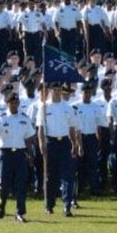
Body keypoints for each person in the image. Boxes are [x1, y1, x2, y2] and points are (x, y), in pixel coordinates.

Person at [0, 93, 36, 221]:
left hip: (20, 154)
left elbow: (28, 138)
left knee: (21, 183)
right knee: (4, 183)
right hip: (5, 153)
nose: (14, 105)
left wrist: (31, 155)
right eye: (11, 103)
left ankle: (19, 212)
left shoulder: (24, 118)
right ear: (7, 103)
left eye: (16, 103)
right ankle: (2, 204)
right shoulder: (1, 118)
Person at [37, 83, 80, 216]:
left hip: (64, 142)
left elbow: (72, 127)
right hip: (51, 142)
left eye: (58, 89)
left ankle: (67, 205)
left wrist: (75, 143)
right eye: (54, 89)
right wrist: (41, 143)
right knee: (51, 176)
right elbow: (41, 128)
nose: (56, 91)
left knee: (68, 176)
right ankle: (49, 205)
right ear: (49, 90)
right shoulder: (44, 107)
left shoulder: (67, 107)